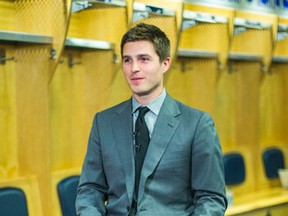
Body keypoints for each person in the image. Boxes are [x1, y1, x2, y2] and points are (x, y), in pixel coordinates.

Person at [76, 23, 227, 216]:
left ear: (165, 63)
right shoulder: (103, 122)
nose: (134, 68)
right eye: (127, 60)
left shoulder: (197, 124)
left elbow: (211, 198)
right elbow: (90, 190)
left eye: (144, 59)